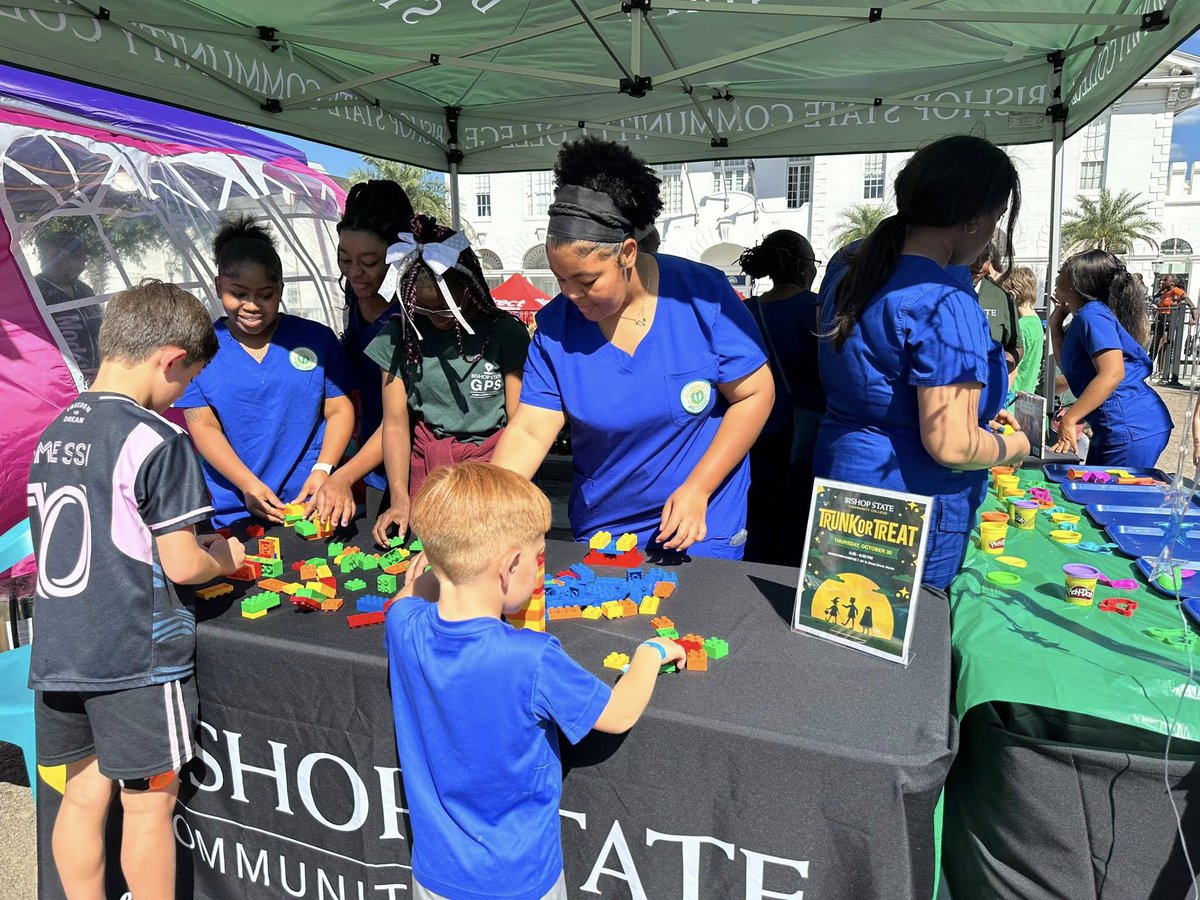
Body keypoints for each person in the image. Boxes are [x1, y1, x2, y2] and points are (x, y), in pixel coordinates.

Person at [27, 281, 246, 900]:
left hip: (63, 649)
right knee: (149, 807)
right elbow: (181, 564)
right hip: (135, 656)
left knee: (82, 797)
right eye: (187, 381)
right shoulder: (158, 439)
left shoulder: (55, 430)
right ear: (171, 360)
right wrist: (226, 560)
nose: (182, 397)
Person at [385, 462, 685, 900]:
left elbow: (410, 593)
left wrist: (440, 563)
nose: (541, 571)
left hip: (435, 875)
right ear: (509, 566)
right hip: (518, 881)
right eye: (538, 558)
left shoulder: (402, 624)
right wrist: (650, 653)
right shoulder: (532, 657)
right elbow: (618, 715)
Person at [492, 137, 774, 560]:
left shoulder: (703, 297)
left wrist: (699, 486)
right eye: (559, 279)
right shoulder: (555, 328)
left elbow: (754, 394)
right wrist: (479, 521)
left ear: (627, 252)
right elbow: (530, 431)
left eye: (586, 281)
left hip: (701, 519)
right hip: (605, 527)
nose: (569, 295)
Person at [816, 134, 1029, 592]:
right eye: (996, 218)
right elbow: (952, 446)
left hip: (847, 485)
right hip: (911, 502)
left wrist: (977, 411)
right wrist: (1015, 448)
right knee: (902, 644)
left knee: (845, 624)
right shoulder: (943, 302)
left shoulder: (853, 276)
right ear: (973, 220)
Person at [178, 216, 355, 528]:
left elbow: (340, 409)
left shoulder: (317, 339)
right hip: (237, 511)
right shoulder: (199, 348)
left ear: (281, 290)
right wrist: (247, 484)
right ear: (219, 285)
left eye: (265, 294)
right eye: (239, 293)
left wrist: (323, 470)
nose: (252, 305)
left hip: (313, 504)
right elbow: (203, 427)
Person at [364, 215, 530, 546]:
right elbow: (396, 425)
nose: (437, 321)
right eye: (424, 312)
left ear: (470, 289)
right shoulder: (398, 336)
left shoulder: (506, 335)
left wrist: (502, 490)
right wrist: (400, 499)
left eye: (445, 310)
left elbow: (520, 425)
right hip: (428, 468)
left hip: (493, 465)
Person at [308, 180, 414, 528]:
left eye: (369, 261)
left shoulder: (410, 315)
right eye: (344, 259)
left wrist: (342, 475)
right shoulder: (356, 302)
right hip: (371, 462)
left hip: (413, 464)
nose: (354, 272)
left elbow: (400, 419)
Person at [738, 230, 824, 564]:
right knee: (796, 520)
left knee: (758, 513)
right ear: (804, 268)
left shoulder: (746, 310)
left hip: (752, 432)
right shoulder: (814, 308)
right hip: (802, 435)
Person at [1049, 249, 1173, 465]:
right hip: (1117, 425)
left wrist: (1070, 419)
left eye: (1062, 272)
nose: (1057, 277)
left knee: (1112, 496)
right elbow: (1070, 369)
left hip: (1129, 424)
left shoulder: (1092, 315)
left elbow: (1112, 373)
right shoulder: (1085, 316)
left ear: (1075, 283)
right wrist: (1055, 327)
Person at [34, 223, 103, 381]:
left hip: (97, 381)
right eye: (79, 258)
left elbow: (101, 331)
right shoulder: (35, 293)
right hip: (61, 385)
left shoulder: (85, 290)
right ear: (56, 257)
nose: (83, 266)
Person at [970, 242, 1022, 369]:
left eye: (985, 259)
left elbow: (1017, 347)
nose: (978, 265)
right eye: (974, 257)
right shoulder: (938, 293)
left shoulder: (1001, 298)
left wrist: (1002, 368)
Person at [1000, 266, 1045, 396]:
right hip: (1025, 396)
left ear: (1014, 294)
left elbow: (1012, 371)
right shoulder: (1036, 322)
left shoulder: (1020, 327)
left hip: (1011, 400)